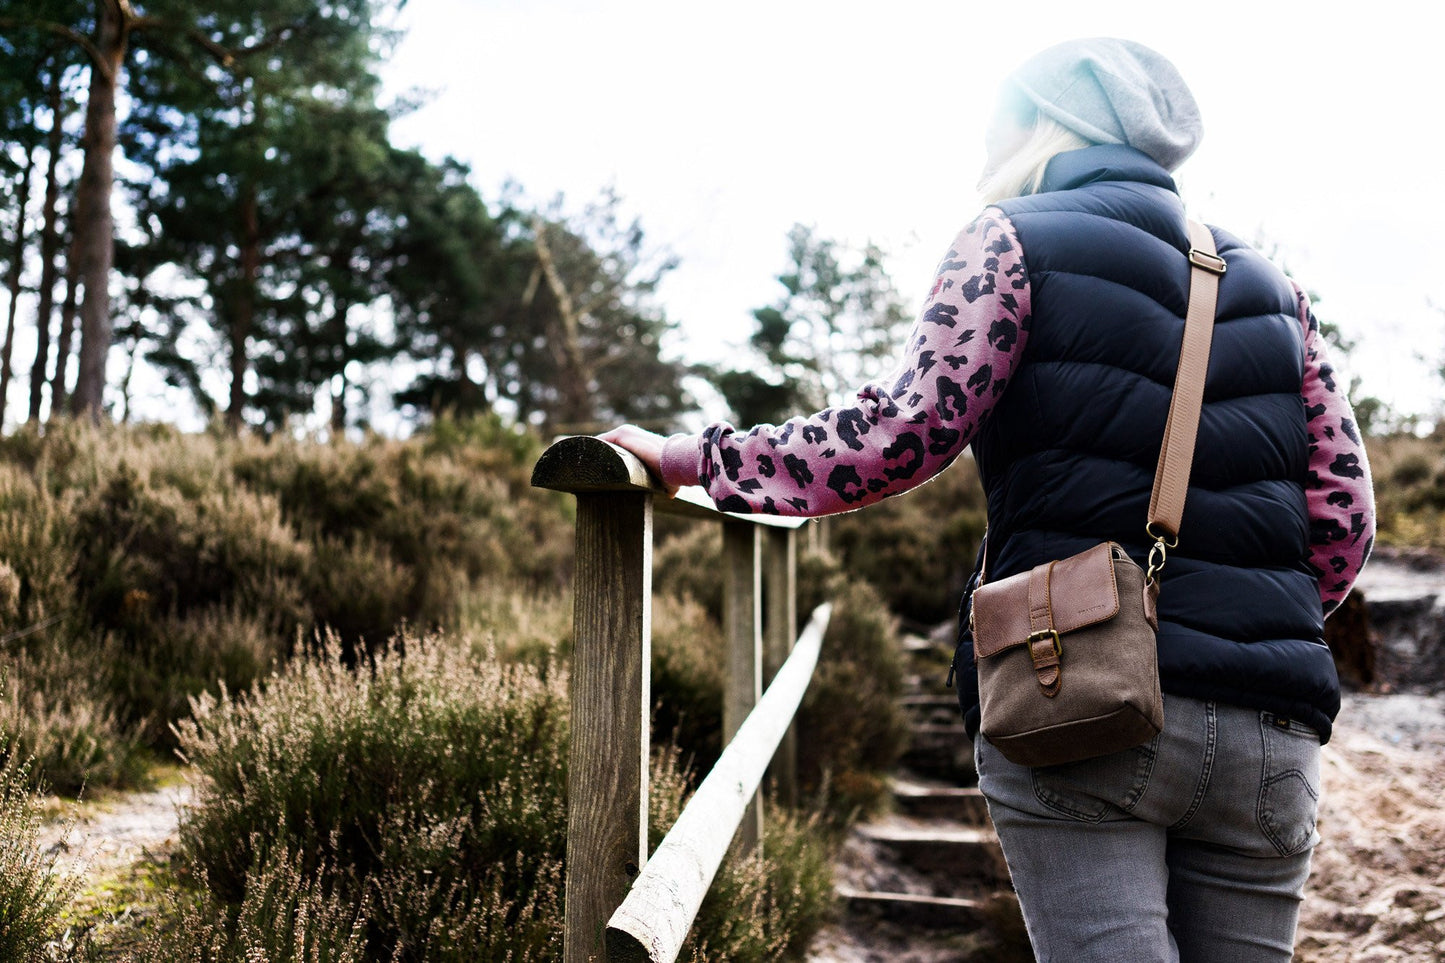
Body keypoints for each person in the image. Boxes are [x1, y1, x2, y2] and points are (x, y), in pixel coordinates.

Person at [602, 37, 1374, 962]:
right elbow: (1342, 515)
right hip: (1272, 726)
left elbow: (901, 432)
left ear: (1046, 123)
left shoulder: (1011, 236)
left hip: (1079, 697)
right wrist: (1243, 620)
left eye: (994, 120)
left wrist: (696, 458)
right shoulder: (1274, 290)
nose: (980, 147)